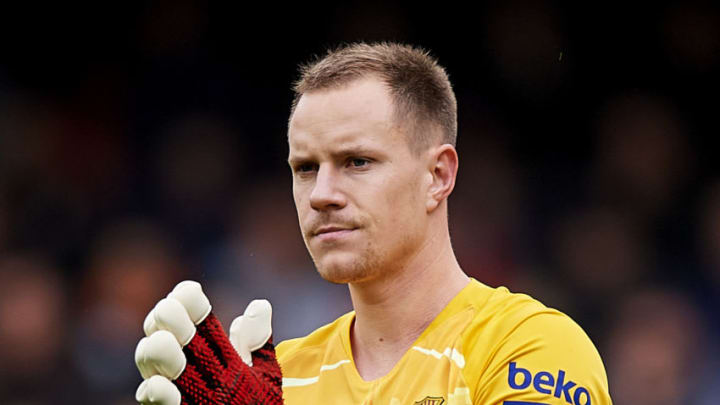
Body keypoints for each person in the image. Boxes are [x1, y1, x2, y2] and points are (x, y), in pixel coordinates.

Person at [134, 42, 612, 405]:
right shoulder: (279, 380)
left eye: (357, 161)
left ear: (437, 175)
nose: (322, 194)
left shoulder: (530, 347)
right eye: (305, 168)